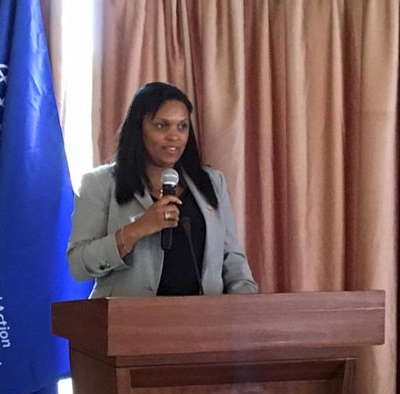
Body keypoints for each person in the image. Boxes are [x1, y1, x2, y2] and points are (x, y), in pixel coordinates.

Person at [67, 82, 258, 298]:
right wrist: (138, 228)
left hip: (203, 316)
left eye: (182, 126)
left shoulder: (212, 182)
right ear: (139, 129)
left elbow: (232, 259)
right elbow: (78, 265)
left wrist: (247, 306)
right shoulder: (100, 184)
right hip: (128, 316)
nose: (174, 136)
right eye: (161, 126)